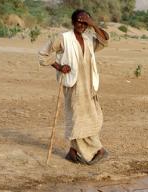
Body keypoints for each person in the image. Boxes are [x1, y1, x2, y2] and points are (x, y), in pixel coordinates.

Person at [39, 9, 109, 165]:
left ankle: (72, 152)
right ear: (72, 22)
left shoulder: (90, 38)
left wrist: (93, 24)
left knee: (92, 118)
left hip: (90, 86)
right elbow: (44, 54)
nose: (82, 25)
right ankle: (99, 150)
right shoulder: (63, 38)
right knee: (77, 119)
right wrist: (58, 66)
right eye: (79, 21)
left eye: (85, 22)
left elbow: (105, 40)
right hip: (73, 85)